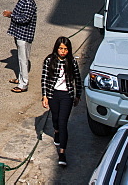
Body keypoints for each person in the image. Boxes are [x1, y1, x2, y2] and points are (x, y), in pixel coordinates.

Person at [41, 36, 83, 167]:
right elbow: (44, 79)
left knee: (63, 122)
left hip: (67, 95)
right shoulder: (49, 60)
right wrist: (45, 96)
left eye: (65, 49)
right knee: (55, 118)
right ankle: (56, 131)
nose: (63, 51)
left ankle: (62, 153)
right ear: (56, 48)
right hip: (53, 94)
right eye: (60, 48)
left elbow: (77, 79)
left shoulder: (72, 62)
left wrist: (78, 96)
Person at [3, 0, 37, 93]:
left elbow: (25, 18)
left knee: (23, 59)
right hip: (20, 34)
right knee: (21, 58)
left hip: (24, 35)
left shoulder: (28, 2)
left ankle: (23, 84)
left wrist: (11, 15)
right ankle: (21, 79)